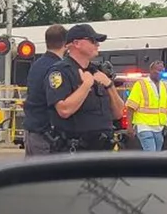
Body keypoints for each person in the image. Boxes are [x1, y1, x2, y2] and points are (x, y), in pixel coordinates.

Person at [45, 24, 124, 152]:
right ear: (76, 43)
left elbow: (118, 113)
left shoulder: (98, 72)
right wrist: (86, 85)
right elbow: (64, 110)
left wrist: (109, 85)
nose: (97, 45)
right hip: (75, 152)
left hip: (103, 150)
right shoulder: (60, 72)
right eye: (93, 41)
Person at [22, 24, 67, 157]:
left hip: (32, 129)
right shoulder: (56, 68)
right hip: (45, 134)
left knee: (32, 176)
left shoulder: (38, 64)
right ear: (65, 43)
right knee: (47, 175)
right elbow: (57, 101)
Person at [125, 61, 167, 151]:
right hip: (144, 126)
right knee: (151, 153)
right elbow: (130, 107)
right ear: (151, 70)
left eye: (162, 71)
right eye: (158, 71)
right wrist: (129, 126)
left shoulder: (164, 86)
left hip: (159, 128)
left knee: (156, 156)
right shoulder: (141, 84)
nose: (161, 73)